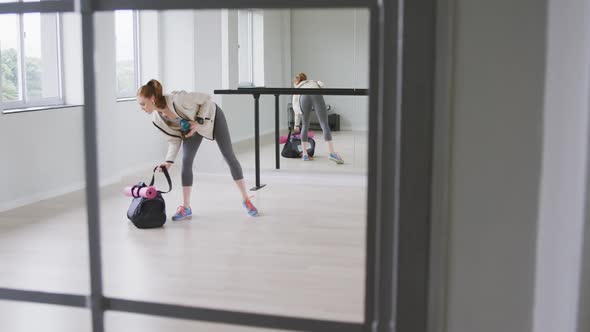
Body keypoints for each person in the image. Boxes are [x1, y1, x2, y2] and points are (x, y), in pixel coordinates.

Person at [137, 79, 259, 220]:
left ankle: (246, 200)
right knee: (186, 161)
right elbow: (174, 139)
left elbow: (206, 99)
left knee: (228, 156)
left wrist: (199, 121)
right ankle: (186, 207)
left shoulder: (178, 99)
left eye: (143, 104)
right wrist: (168, 163)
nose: (142, 108)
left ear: (152, 99)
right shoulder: (156, 119)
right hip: (191, 129)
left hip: (211, 118)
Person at [292, 72, 344, 164]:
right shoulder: (313, 82)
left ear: (297, 81)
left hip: (303, 97)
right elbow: (322, 85)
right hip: (315, 92)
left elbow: (296, 107)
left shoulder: (298, 88)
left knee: (305, 125)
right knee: (324, 124)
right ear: (305, 79)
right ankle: (331, 153)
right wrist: (317, 84)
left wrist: (296, 124)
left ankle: (304, 154)